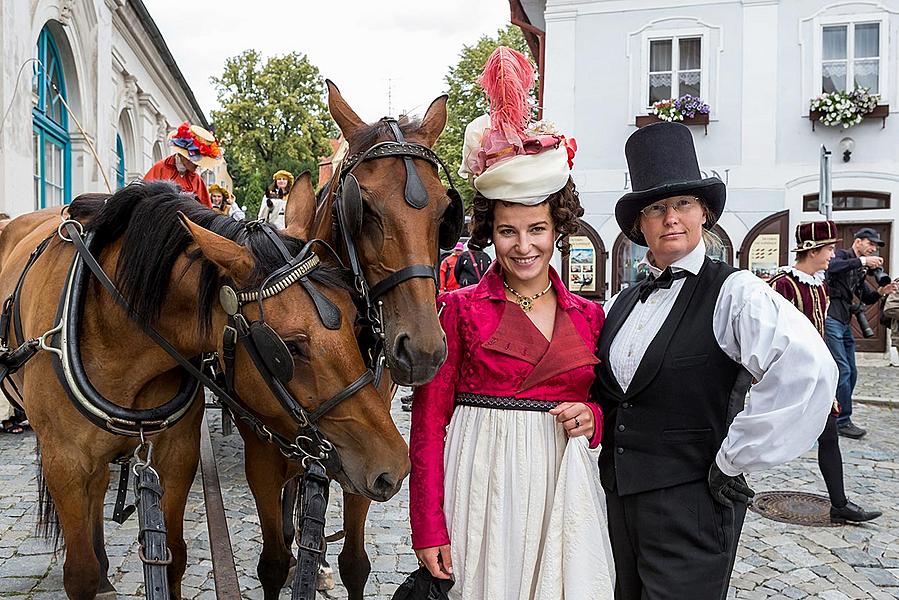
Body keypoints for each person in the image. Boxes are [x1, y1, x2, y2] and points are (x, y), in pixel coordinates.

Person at [594, 121, 836, 600]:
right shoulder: (621, 303)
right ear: (639, 225)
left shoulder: (735, 292)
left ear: (703, 212)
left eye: (682, 204)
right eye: (656, 208)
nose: (670, 219)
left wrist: (733, 457)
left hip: (692, 504)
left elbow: (807, 368)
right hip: (618, 503)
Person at [409, 46, 613, 599]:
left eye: (537, 230)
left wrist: (591, 415)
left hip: (560, 489)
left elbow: (609, 410)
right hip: (482, 487)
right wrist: (427, 525)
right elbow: (428, 426)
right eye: (508, 231)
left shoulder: (593, 318)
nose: (524, 247)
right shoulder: (458, 310)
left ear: (558, 228)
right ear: (489, 232)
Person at [769, 221, 881, 524]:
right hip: (788, 376)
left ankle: (840, 503)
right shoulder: (783, 284)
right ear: (812, 250)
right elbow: (770, 332)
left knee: (829, 434)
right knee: (761, 433)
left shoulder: (818, 283)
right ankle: (727, 477)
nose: (833, 253)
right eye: (829, 248)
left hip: (814, 374)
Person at [824, 227, 897, 439]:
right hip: (832, 319)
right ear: (858, 242)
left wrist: (882, 292)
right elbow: (833, 268)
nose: (873, 249)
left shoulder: (858, 268)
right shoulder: (842, 256)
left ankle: (836, 414)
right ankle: (841, 421)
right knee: (843, 370)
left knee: (852, 372)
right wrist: (864, 262)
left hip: (845, 322)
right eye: (871, 244)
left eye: (876, 246)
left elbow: (866, 297)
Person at [144, 122, 223, 208]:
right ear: (184, 156)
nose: (197, 165)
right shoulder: (160, 168)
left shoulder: (197, 180)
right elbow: (143, 197)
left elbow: (207, 210)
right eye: (195, 161)